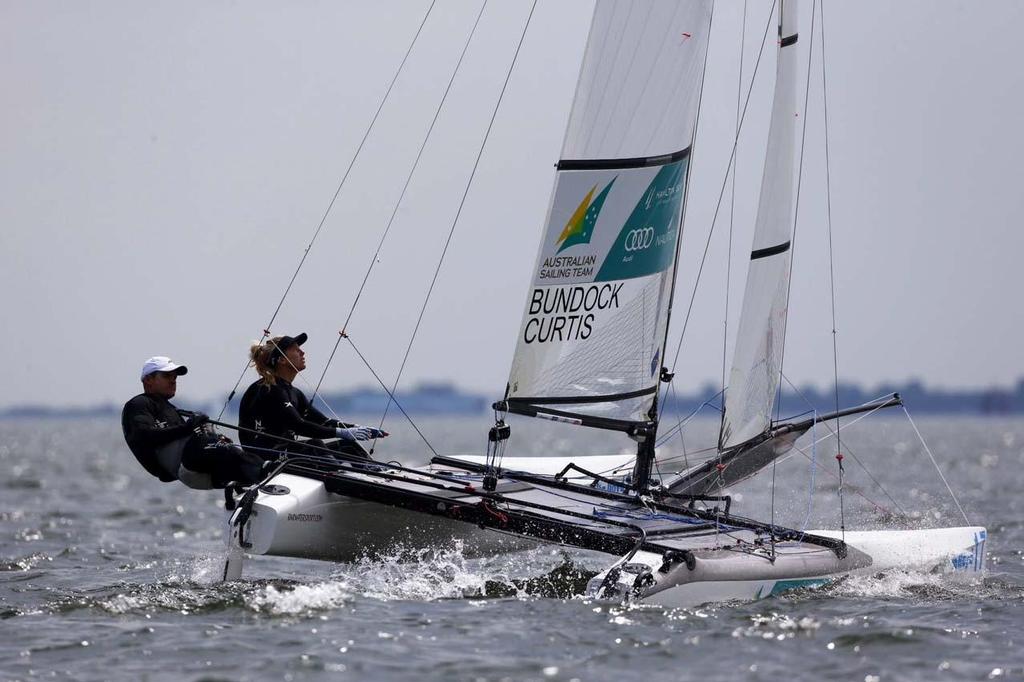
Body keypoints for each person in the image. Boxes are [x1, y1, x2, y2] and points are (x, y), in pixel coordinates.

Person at [122, 356, 265, 488]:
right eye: (166, 376)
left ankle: (262, 485)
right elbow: (143, 436)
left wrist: (212, 437)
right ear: (148, 379)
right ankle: (268, 470)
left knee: (236, 461)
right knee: (230, 452)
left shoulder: (171, 408)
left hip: (198, 469)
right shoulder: (138, 404)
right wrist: (189, 427)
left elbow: (184, 434)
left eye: (175, 377)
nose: (173, 380)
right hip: (186, 465)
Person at [238, 333, 387, 459]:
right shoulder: (268, 389)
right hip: (265, 457)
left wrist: (357, 429)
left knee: (349, 445)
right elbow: (298, 425)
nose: (302, 353)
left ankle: (379, 478)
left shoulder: (294, 392)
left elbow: (323, 422)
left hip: (286, 452)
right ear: (282, 359)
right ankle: (338, 479)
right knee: (315, 445)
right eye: (296, 350)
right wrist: (343, 432)